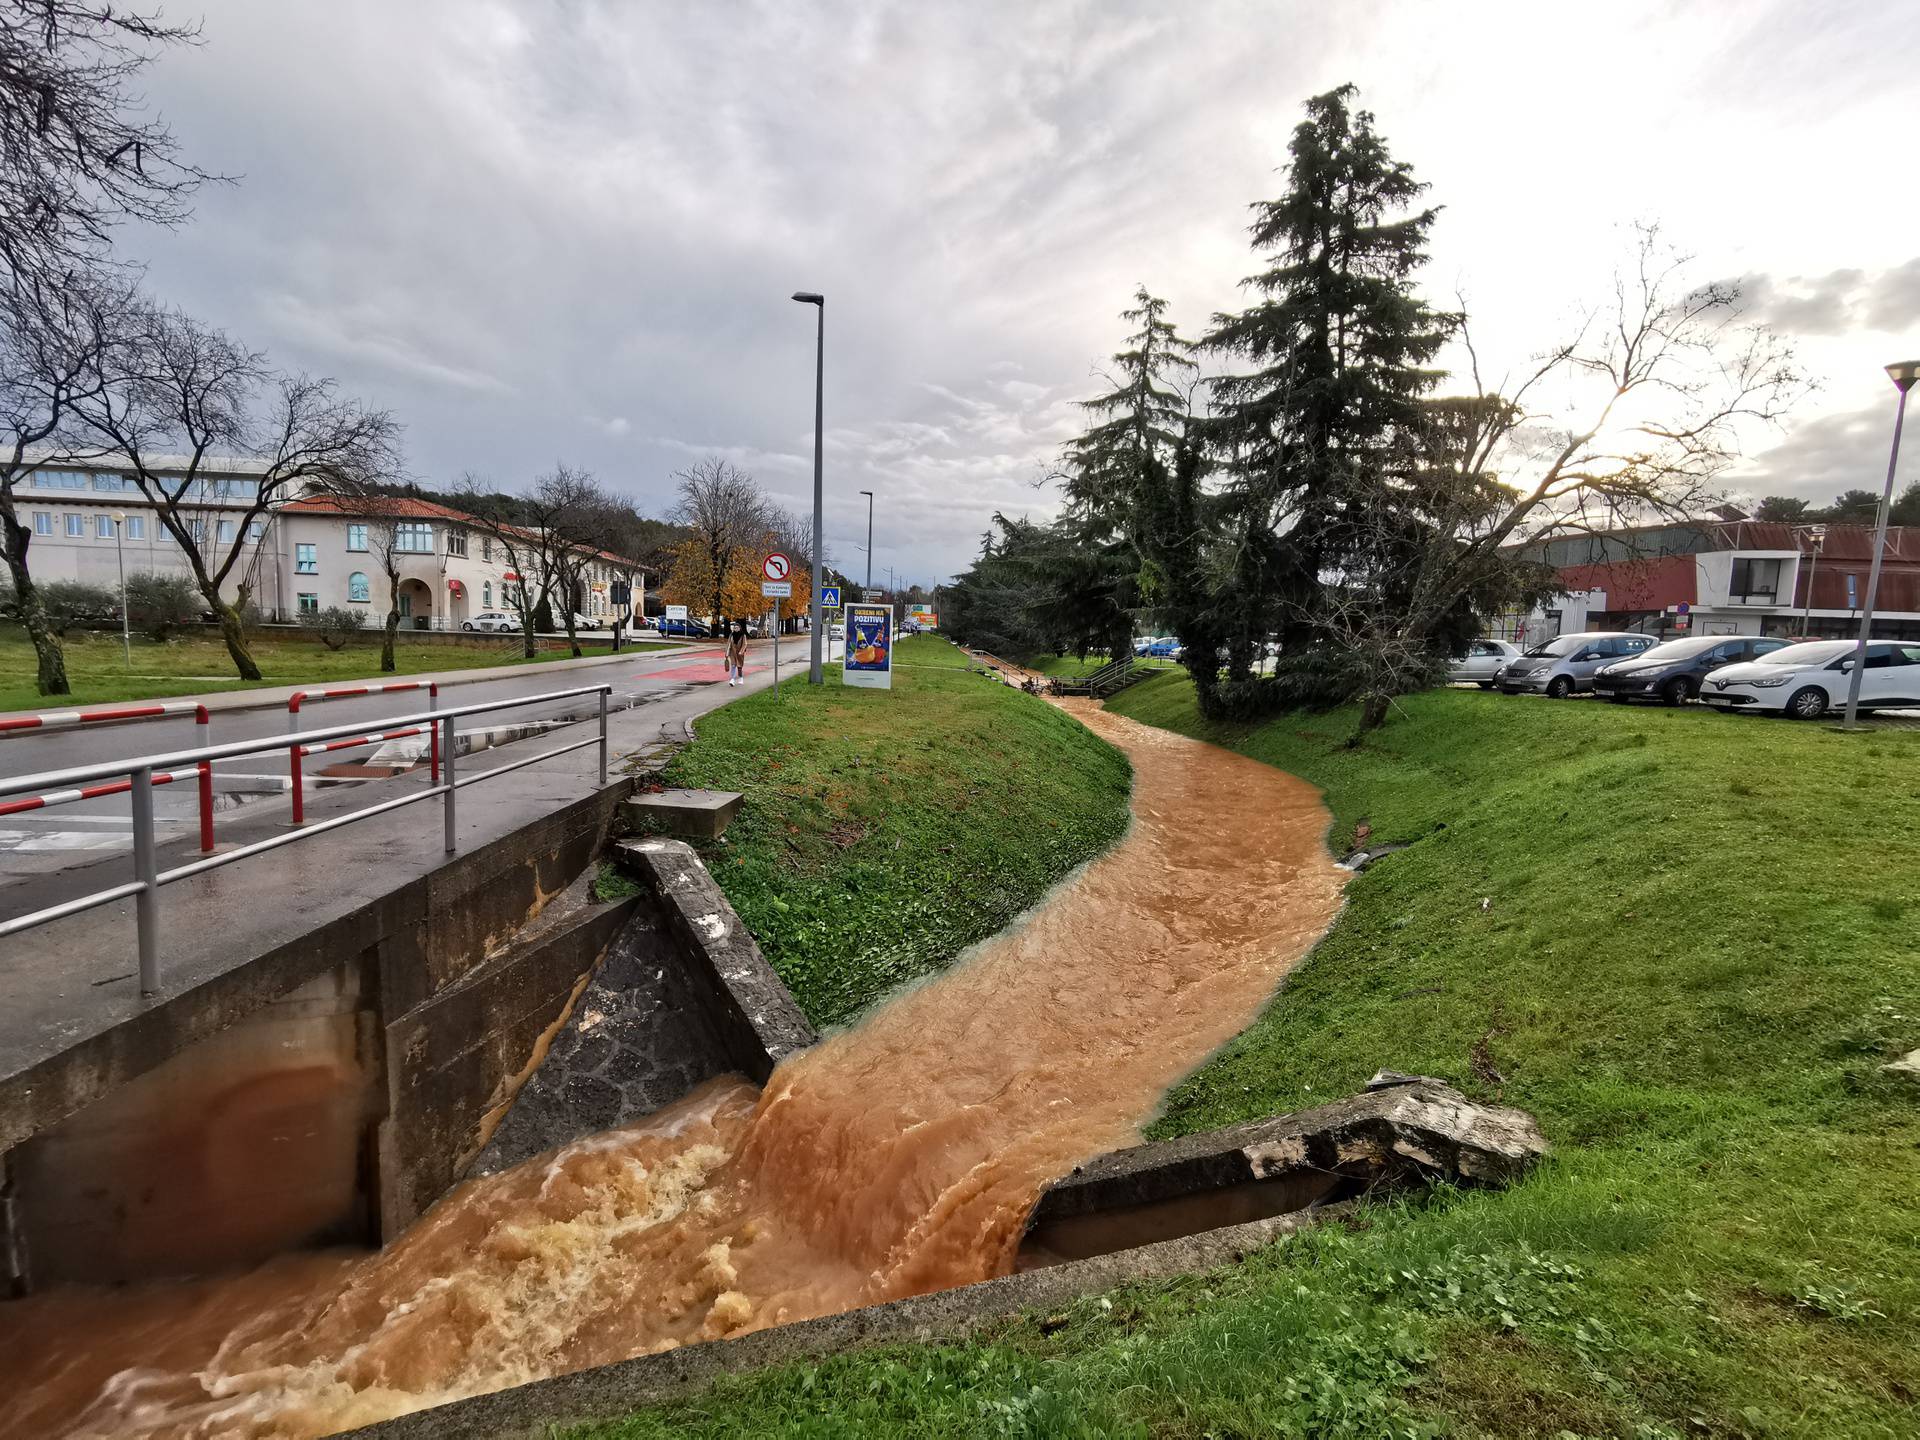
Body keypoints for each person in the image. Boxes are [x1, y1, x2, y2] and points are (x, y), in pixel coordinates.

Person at [726, 617, 749, 686]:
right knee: (733, 665)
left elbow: (745, 644)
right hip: (733, 653)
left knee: (739, 667)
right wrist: (727, 653)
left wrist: (741, 652)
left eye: (737, 628)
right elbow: (729, 644)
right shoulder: (731, 635)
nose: (735, 629)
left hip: (739, 654)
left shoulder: (743, 635)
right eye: (734, 628)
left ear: (739, 628)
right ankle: (732, 680)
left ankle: (741, 678)